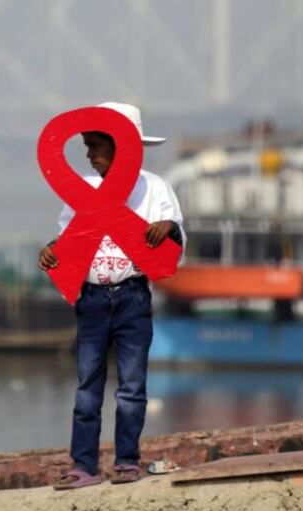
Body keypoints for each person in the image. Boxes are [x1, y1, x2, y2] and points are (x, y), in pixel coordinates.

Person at [39, 102, 185, 489]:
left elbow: (174, 236)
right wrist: (52, 250)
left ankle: (126, 461)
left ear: (122, 147)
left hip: (132, 296)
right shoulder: (81, 189)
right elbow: (68, 239)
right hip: (91, 299)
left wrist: (166, 226)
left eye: (95, 145)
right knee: (87, 387)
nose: (88, 154)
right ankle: (83, 466)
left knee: (131, 387)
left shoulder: (155, 187)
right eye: (86, 145)